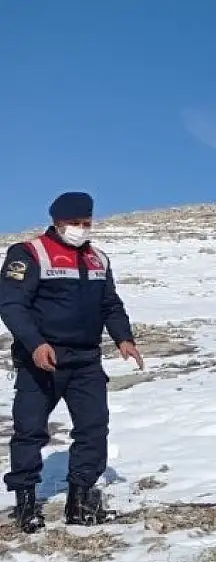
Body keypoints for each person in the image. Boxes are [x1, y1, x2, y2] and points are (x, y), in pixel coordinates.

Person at [0, 191, 144, 534]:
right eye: (73, 223)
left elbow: (110, 303)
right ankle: (25, 503)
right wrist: (35, 344)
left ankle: (79, 501)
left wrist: (124, 337)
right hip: (42, 360)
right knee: (30, 431)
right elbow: (11, 305)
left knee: (94, 429)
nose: (80, 229)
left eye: (86, 223)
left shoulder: (98, 259)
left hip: (86, 361)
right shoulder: (29, 254)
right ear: (56, 221)